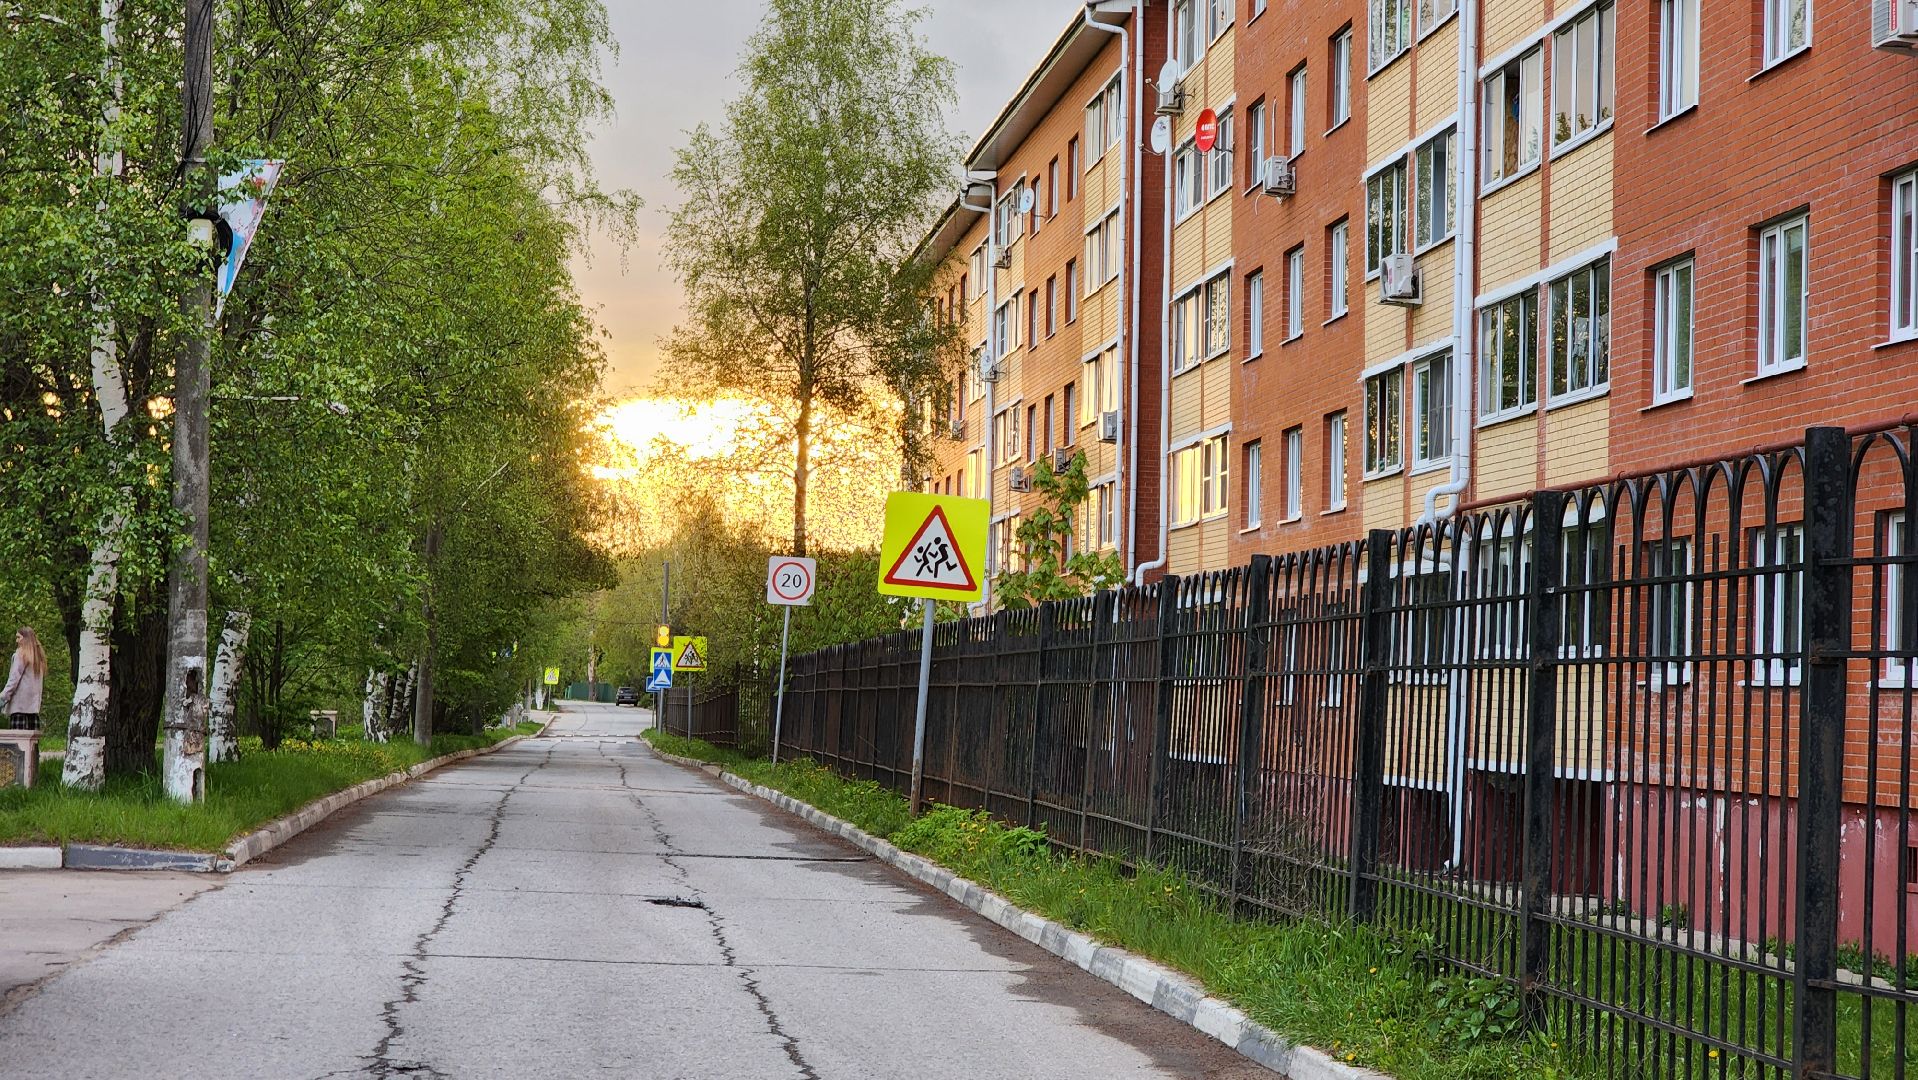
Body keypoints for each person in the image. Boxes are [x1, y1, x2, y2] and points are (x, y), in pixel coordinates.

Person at [1, 627, 46, 730]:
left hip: (19, 707)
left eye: (18, 637)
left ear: (26, 638)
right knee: (32, 744)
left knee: (19, 743)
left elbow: (13, 680)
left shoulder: (20, 655)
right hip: (33, 708)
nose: (17, 640)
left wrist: (3, 697)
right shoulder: (38, 658)